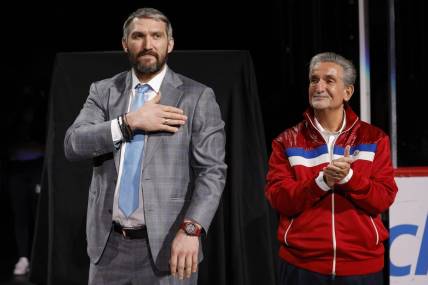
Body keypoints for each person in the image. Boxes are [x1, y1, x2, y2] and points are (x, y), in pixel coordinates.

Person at [64, 7, 226, 285]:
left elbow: (212, 171)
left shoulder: (197, 96)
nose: (148, 44)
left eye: (156, 36)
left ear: (170, 44)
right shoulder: (104, 91)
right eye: (138, 36)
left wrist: (192, 229)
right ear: (125, 43)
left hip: (169, 247)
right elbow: (73, 144)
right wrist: (129, 122)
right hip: (108, 247)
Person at [265, 52, 398, 285]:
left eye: (329, 80)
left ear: (348, 92)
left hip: (361, 267)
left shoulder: (374, 139)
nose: (319, 86)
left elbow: (383, 199)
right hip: (302, 267)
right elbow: (279, 200)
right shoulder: (286, 141)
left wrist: (349, 178)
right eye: (314, 80)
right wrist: (321, 182)